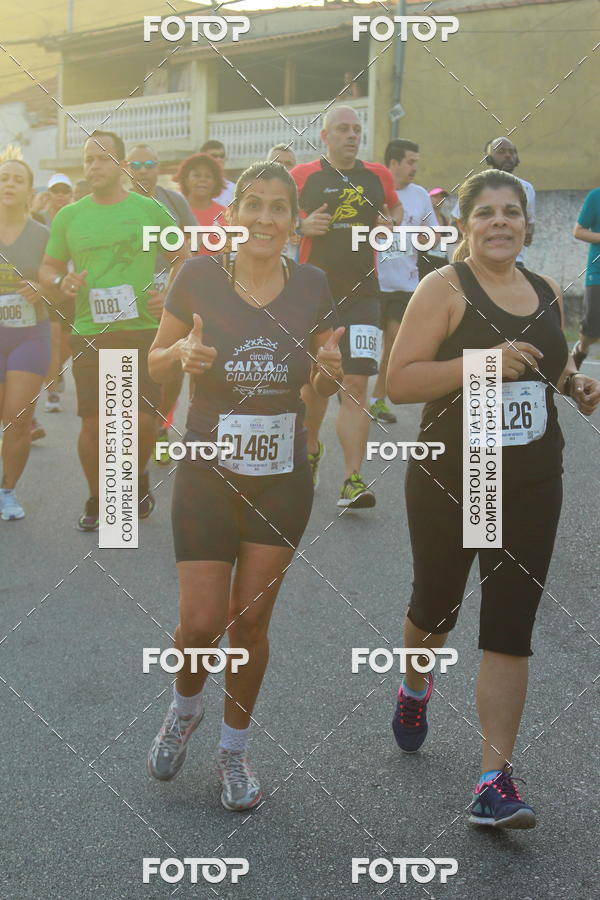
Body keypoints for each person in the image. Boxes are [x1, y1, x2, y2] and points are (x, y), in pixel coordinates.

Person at [386, 169, 600, 828]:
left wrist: (574, 385)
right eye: (486, 213)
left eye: (512, 212)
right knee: (437, 608)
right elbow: (399, 381)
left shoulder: (542, 290)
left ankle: (492, 779)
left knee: (510, 625)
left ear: (527, 226)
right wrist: (480, 363)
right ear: (465, 225)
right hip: (456, 475)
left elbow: (548, 362)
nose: (500, 222)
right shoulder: (442, 288)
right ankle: (414, 686)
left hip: (533, 477)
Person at [146, 161, 344, 810]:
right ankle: (185, 708)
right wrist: (181, 357)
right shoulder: (200, 273)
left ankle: (234, 749)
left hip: (283, 475)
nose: (265, 217)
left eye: (278, 207)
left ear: (294, 221)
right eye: (253, 205)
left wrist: (326, 373)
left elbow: (319, 384)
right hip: (206, 467)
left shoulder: (314, 283)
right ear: (232, 217)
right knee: (200, 622)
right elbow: (155, 355)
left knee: (250, 619)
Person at [39, 130, 186, 531]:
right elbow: (49, 269)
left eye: (103, 158)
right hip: (91, 330)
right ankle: (98, 496)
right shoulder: (70, 215)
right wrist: (60, 284)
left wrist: (167, 295)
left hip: (142, 330)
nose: (94, 166)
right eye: (88, 159)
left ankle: (134, 477)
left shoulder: (149, 211)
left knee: (141, 420)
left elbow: (182, 258)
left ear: (120, 165)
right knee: (94, 423)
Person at [291, 105, 402, 507]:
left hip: (363, 295)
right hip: (312, 295)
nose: (352, 136)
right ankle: (312, 447)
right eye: (342, 129)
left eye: (357, 130)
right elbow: (275, 219)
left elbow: (394, 210)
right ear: (325, 136)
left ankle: (353, 480)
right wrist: (299, 226)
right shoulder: (301, 177)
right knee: (314, 385)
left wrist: (387, 225)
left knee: (356, 383)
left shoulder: (378, 176)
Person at [125, 144, 196, 464]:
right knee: (133, 366)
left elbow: (191, 246)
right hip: (127, 298)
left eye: (149, 164)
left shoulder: (174, 201)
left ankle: (159, 422)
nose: (142, 171)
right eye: (136, 165)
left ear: (158, 169)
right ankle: (137, 428)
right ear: (127, 168)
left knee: (171, 368)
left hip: (169, 293)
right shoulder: (117, 203)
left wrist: (169, 294)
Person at [370, 140, 438, 425]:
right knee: (357, 342)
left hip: (404, 283)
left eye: (416, 162)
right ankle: (350, 380)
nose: (414, 168)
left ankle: (376, 400)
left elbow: (433, 234)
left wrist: (424, 236)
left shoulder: (420, 195)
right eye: (410, 161)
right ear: (393, 163)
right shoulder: (373, 190)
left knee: (394, 339)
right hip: (369, 282)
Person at [0, 159, 52, 520]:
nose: (9, 184)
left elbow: (59, 285)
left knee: (17, 419)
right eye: (3, 178)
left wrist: (42, 288)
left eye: (19, 179)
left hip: (30, 335)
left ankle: (7, 492)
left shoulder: (43, 234)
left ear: (29, 191)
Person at [452, 138, 535, 268]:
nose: (508, 155)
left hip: (516, 263)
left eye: (512, 152)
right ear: (488, 158)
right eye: (501, 151)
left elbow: (529, 228)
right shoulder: (475, 185)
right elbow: (456, 227)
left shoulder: (527, 188)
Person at [35, 175, 76, 415]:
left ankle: (55, 371)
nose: (60, 195)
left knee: (67, 345)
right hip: (47, 288)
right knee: (52, 341)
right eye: (55, 190)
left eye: (64, 191)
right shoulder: (39, 218)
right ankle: (52, 393)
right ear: (48, 193)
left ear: (71, 194)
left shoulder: (76, 217)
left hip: (71, 288)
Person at [572, 185, 600, 368]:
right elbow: (578, 230)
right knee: (592, 326)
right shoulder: (596, 196)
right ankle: (581, 348)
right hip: (597, 273)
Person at [174, 153, 226, 243]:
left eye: (208, 176)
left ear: (215, 182)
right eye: (196, 175)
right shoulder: (175, 213)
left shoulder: (226, 215)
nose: (203, 179)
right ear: (186, 180)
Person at [267, 144, 299, 260]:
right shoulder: (252, 196)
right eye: (278, 162)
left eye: (288, 164)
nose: (283, 168)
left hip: (294, 268)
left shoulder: (305, 200)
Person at [199, 139, 234, 207]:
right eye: (214, 156)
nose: (219, 159)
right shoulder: (193, 187)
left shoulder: (233, 189)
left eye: (222, 156)